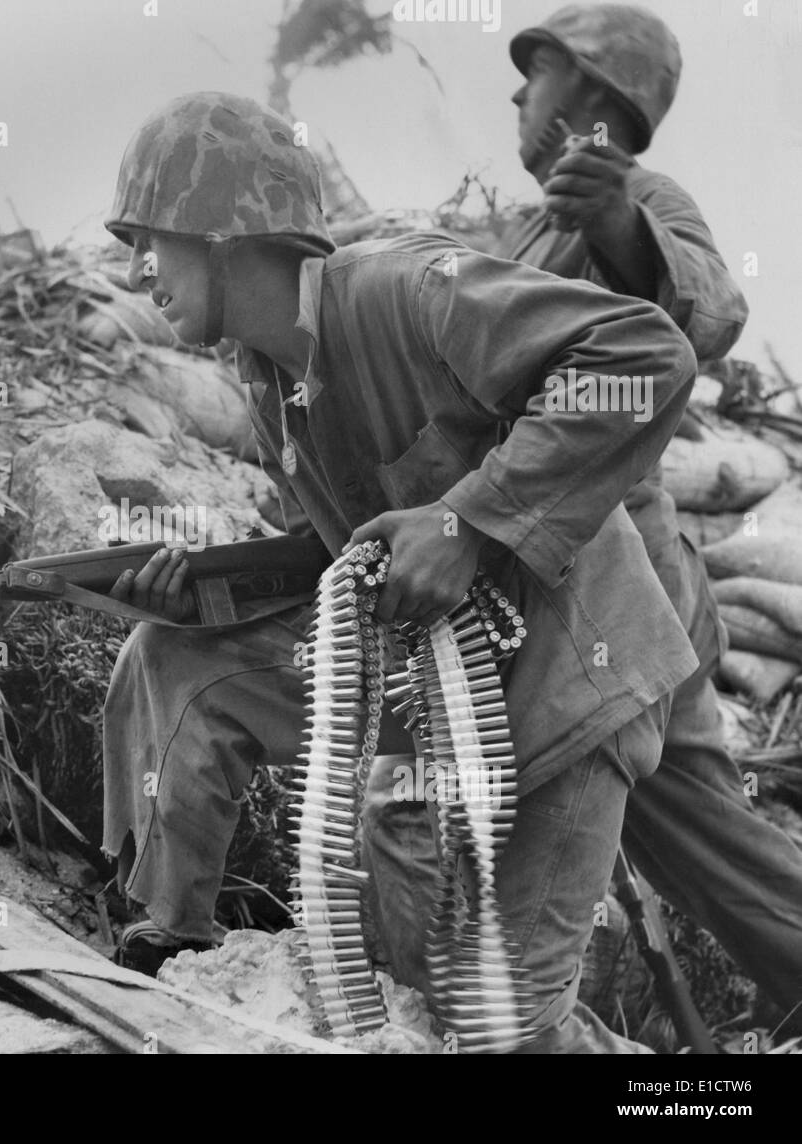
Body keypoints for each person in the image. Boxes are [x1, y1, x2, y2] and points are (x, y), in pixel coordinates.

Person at [100, 89, 702, 1052]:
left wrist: (469, 523)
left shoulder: (407, 291)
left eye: (149, 241)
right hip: (431, 700)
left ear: (219, 231)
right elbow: (337, 554)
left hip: (566, 691)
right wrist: (203, 584)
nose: (135, 272)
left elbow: (644, 353)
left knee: (500, 1028)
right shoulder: (270, 374)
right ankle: (170, 943)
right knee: (175, 654)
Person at [495, 3, 802, 1033]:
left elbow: (708, 314)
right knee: (687, 827)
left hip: (628, 574)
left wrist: (624, 227)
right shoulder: (532, 223)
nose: (514, 94)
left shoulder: (639, 196)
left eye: (532, 75)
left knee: (695, 824)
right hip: (568, 567)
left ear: (585, 91)